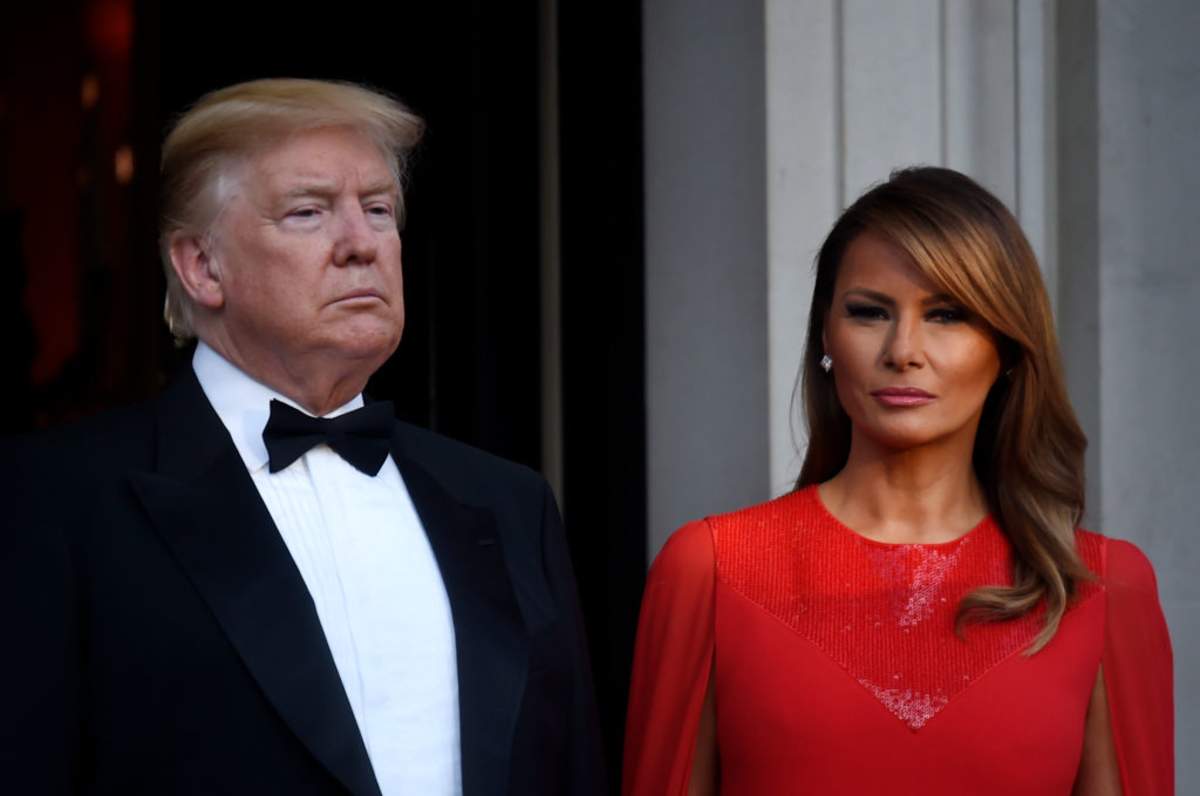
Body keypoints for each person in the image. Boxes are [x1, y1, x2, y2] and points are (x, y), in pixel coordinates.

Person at [1, 78, 604, 795]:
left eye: (379, 209)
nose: (362, 244)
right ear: (201, 266)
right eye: (309, 212)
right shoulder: (55, 500)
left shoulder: (510, 504)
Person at [623, 167, 1173, 795]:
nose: (903, 349)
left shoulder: (1103, 588)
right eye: (869, 312)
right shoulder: (710, 569)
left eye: (947, 314)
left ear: (1009, 348)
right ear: (826, 337)